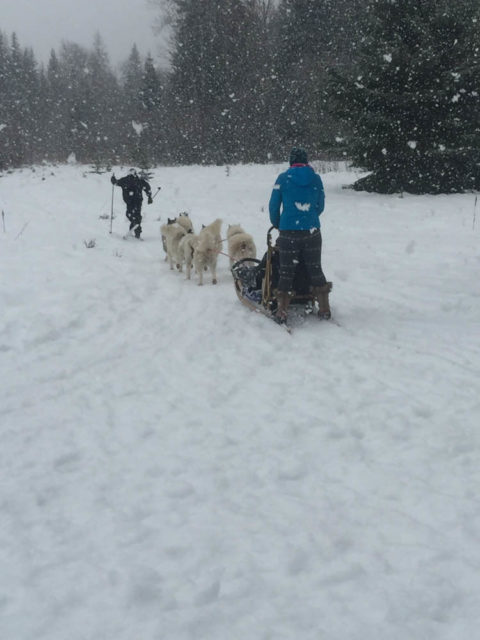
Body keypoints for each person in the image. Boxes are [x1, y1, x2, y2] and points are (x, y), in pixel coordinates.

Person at [268, 147, 332, 321]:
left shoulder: (282, 178)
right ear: (306, 161)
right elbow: (320, 205)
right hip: (312, 231)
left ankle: (282, 310)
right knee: (315, 268)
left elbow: (274, 206)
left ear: (291, 162)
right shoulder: (316, 179)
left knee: (286, 271)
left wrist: (278, 223)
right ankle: (324, 308)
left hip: (288, 231)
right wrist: (308, 218)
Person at [111, 168, 152, 238]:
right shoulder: (139, 181)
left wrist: (113, 179)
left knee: (130, 214)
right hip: (138, 201)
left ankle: (135, 224)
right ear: (135, 173)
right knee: (137, 215)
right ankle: (137, 230)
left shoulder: (125, 180)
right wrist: (149, 196)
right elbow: (147, 187)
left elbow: (116, 182)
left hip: (130, 201)